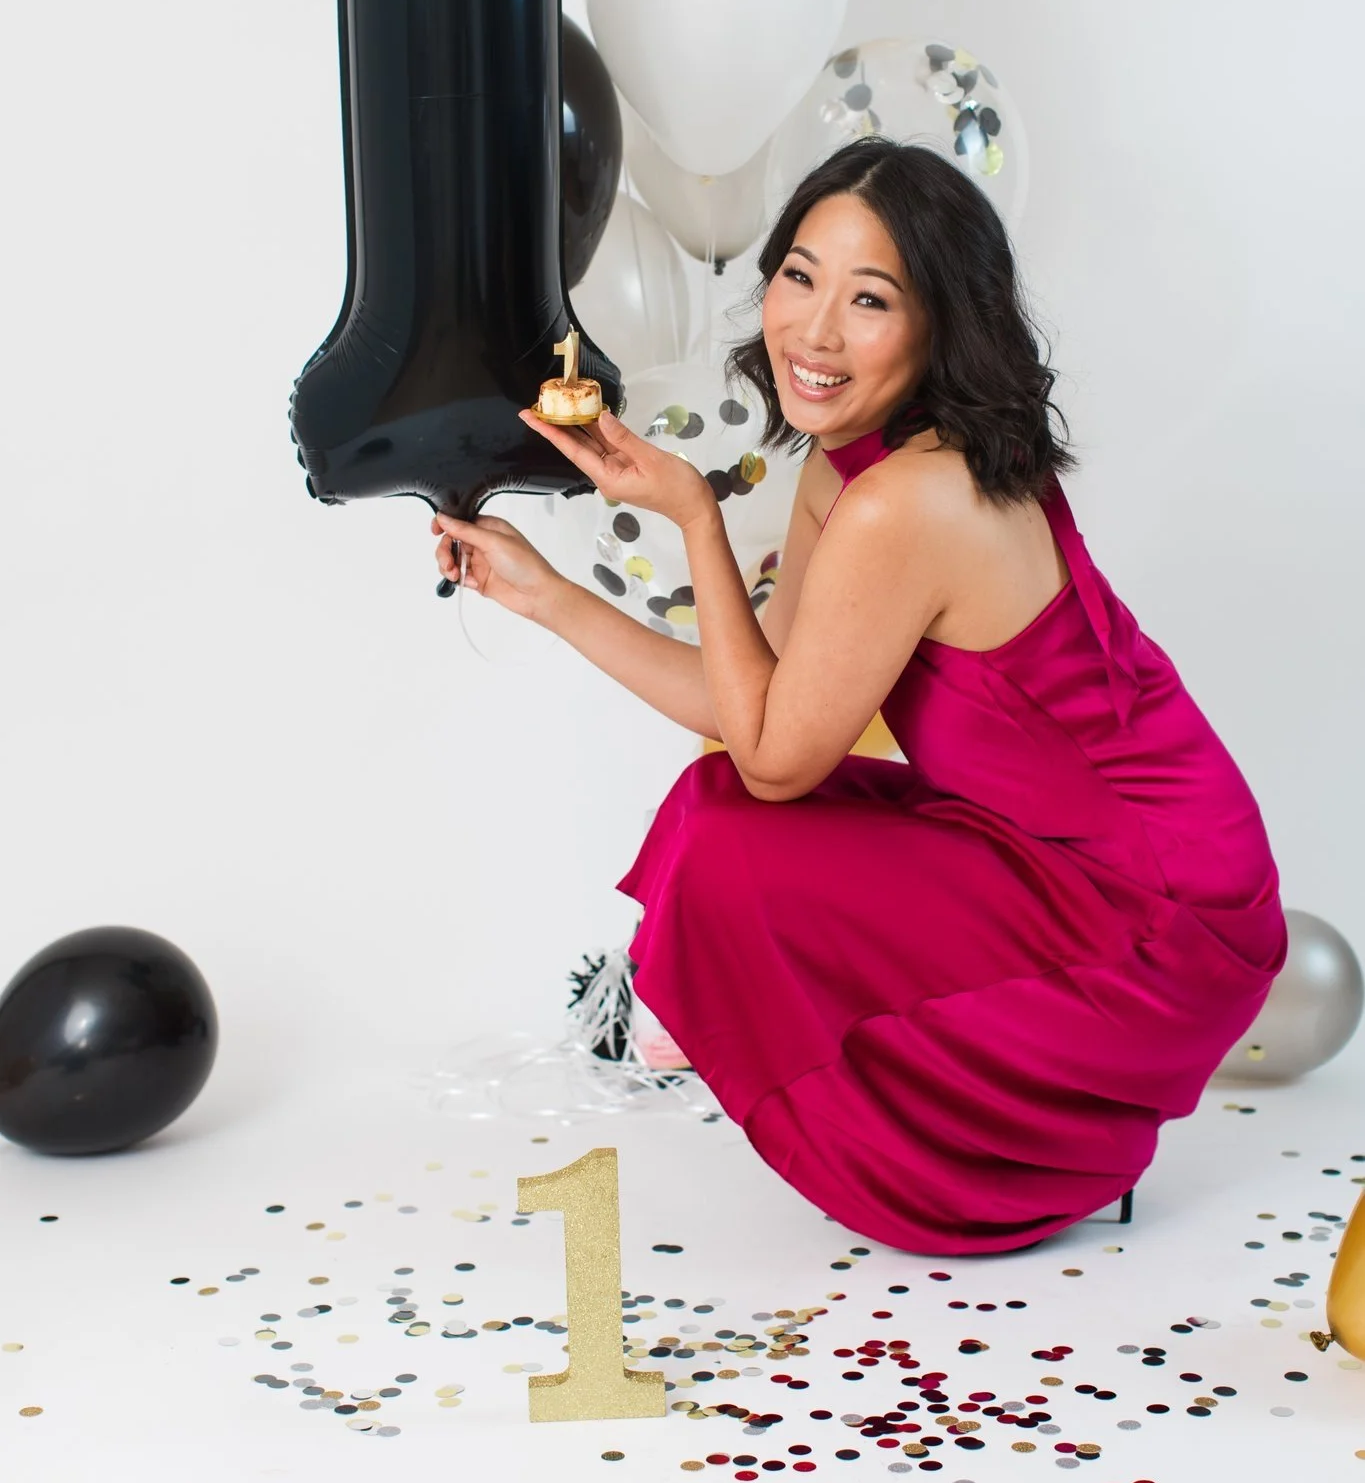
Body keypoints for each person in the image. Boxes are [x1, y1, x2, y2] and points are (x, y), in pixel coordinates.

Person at [431, 137, 1287, 1256]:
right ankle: (1043, 1124)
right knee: (714, 814)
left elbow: (779, 758)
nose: (815, 330)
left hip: (1159, 914)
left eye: (870, 297)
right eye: (799, 275)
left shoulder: (910, 501)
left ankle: (1044, 1144)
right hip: (1064, 854)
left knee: (737, 839)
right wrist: (543, 594)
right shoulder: (860, 462)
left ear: (940, 322)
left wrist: (695, 514)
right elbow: (752, 712)